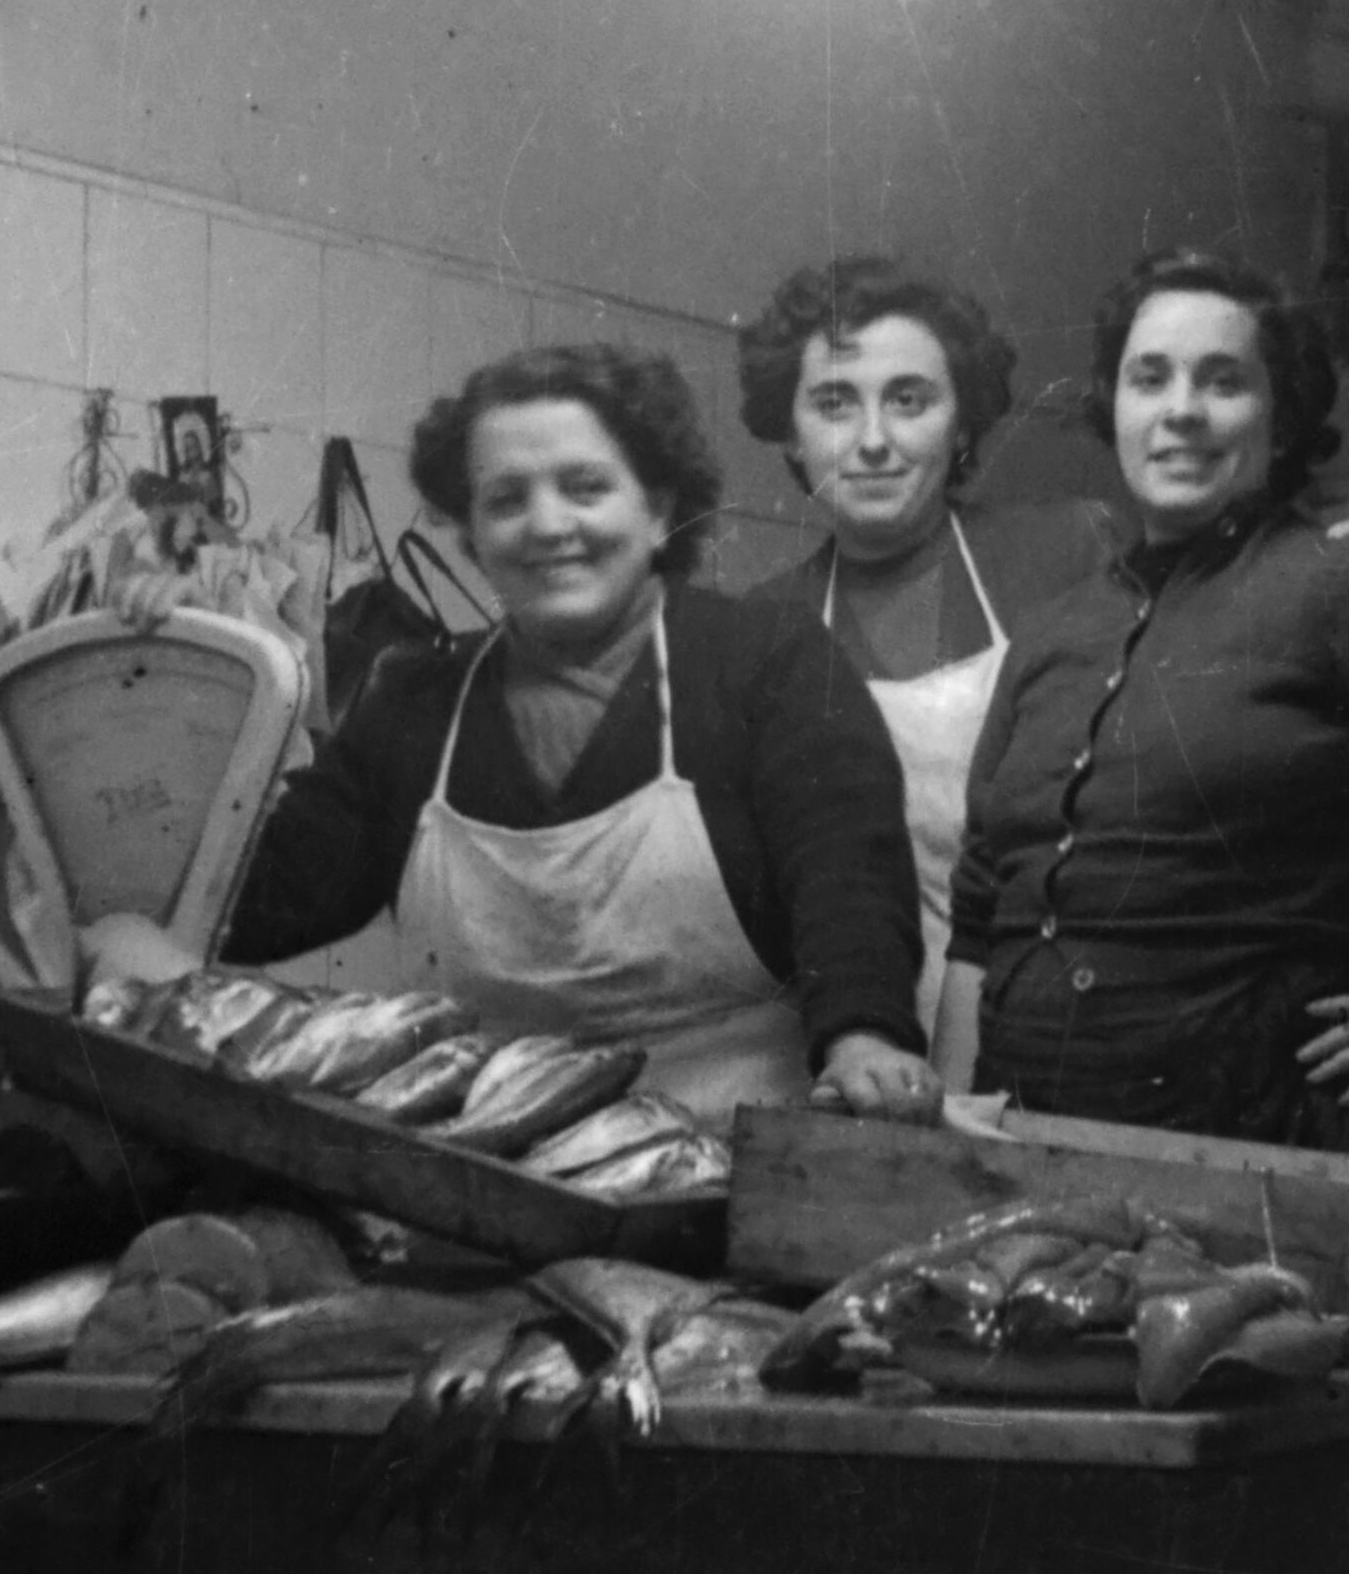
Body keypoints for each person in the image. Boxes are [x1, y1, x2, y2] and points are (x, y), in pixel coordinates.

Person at [92, 342, 938, 1127]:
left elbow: (848, 880)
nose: (546, 524)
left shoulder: (767, 663)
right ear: (471, 537)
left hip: (741, 1155)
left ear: (658, 512)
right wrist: (171, 683)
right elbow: (254, 899)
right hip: (493, 1164)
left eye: (586, 487)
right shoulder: (413, 701)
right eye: (506, 500)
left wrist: (864, 1038)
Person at [942, 250, 1349, 1158]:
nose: (1181, 409)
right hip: (1028, 1144)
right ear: (1114, 406)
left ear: (1284, 415)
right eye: (1151, 378)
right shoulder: (1049, 636)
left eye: (1223, 381)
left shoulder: (1348, 586)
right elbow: (983, 911)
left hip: (1278, 1147)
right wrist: (949, 1124)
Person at [735, 257, 1114, 1060]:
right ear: (791, 435)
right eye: (835, 403)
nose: (873, 441)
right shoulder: (757, 633)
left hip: (1070, 1033)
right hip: (862, 1051)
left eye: (909, 400)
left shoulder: (1072, 552)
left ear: (964, 422)